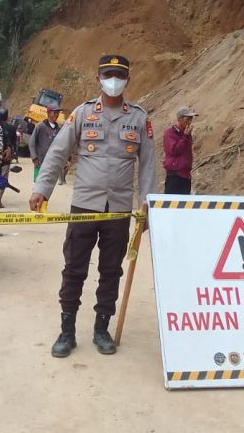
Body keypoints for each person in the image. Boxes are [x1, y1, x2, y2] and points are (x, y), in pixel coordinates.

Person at [29, 54, 157, 358]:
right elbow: (58, 152)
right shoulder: (83, 113)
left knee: (111, 270)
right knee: (74, 268)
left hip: (119, 209)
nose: (113, 80)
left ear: (127, 80)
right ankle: (67, 331)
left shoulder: (139, 118)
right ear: (99, 78)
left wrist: (148, 204)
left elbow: (149, 164)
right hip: (84, 206)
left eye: (119, 75)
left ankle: (102, 329)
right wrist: (42, 189)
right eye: (108, 74)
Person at [163, 107, 196, 194]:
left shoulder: (187, 134)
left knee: (184, 201)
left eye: (191, 119)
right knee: (171, 201)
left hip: (186, 175)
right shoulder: (170, 133)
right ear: (180, 119)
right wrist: (185, 137)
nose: (189, 122)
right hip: (174, 175)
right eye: (187, 119)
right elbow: (173, 150)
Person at [29, 102, 62, 182]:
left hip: (52, 163)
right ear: (48, 113)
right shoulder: (40, 126)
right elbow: (32, 143)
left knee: (49, 184)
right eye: (54, 112)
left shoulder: (58, 129)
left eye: (58, 113)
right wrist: (34, 158)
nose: (56, 115)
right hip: (40, 162)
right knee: (39, 184)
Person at [0, 108, 17, 209]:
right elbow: (14, 142)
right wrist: (12, 153)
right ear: (7, 117)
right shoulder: (12, 128)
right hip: (6, 157)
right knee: (3, 177)